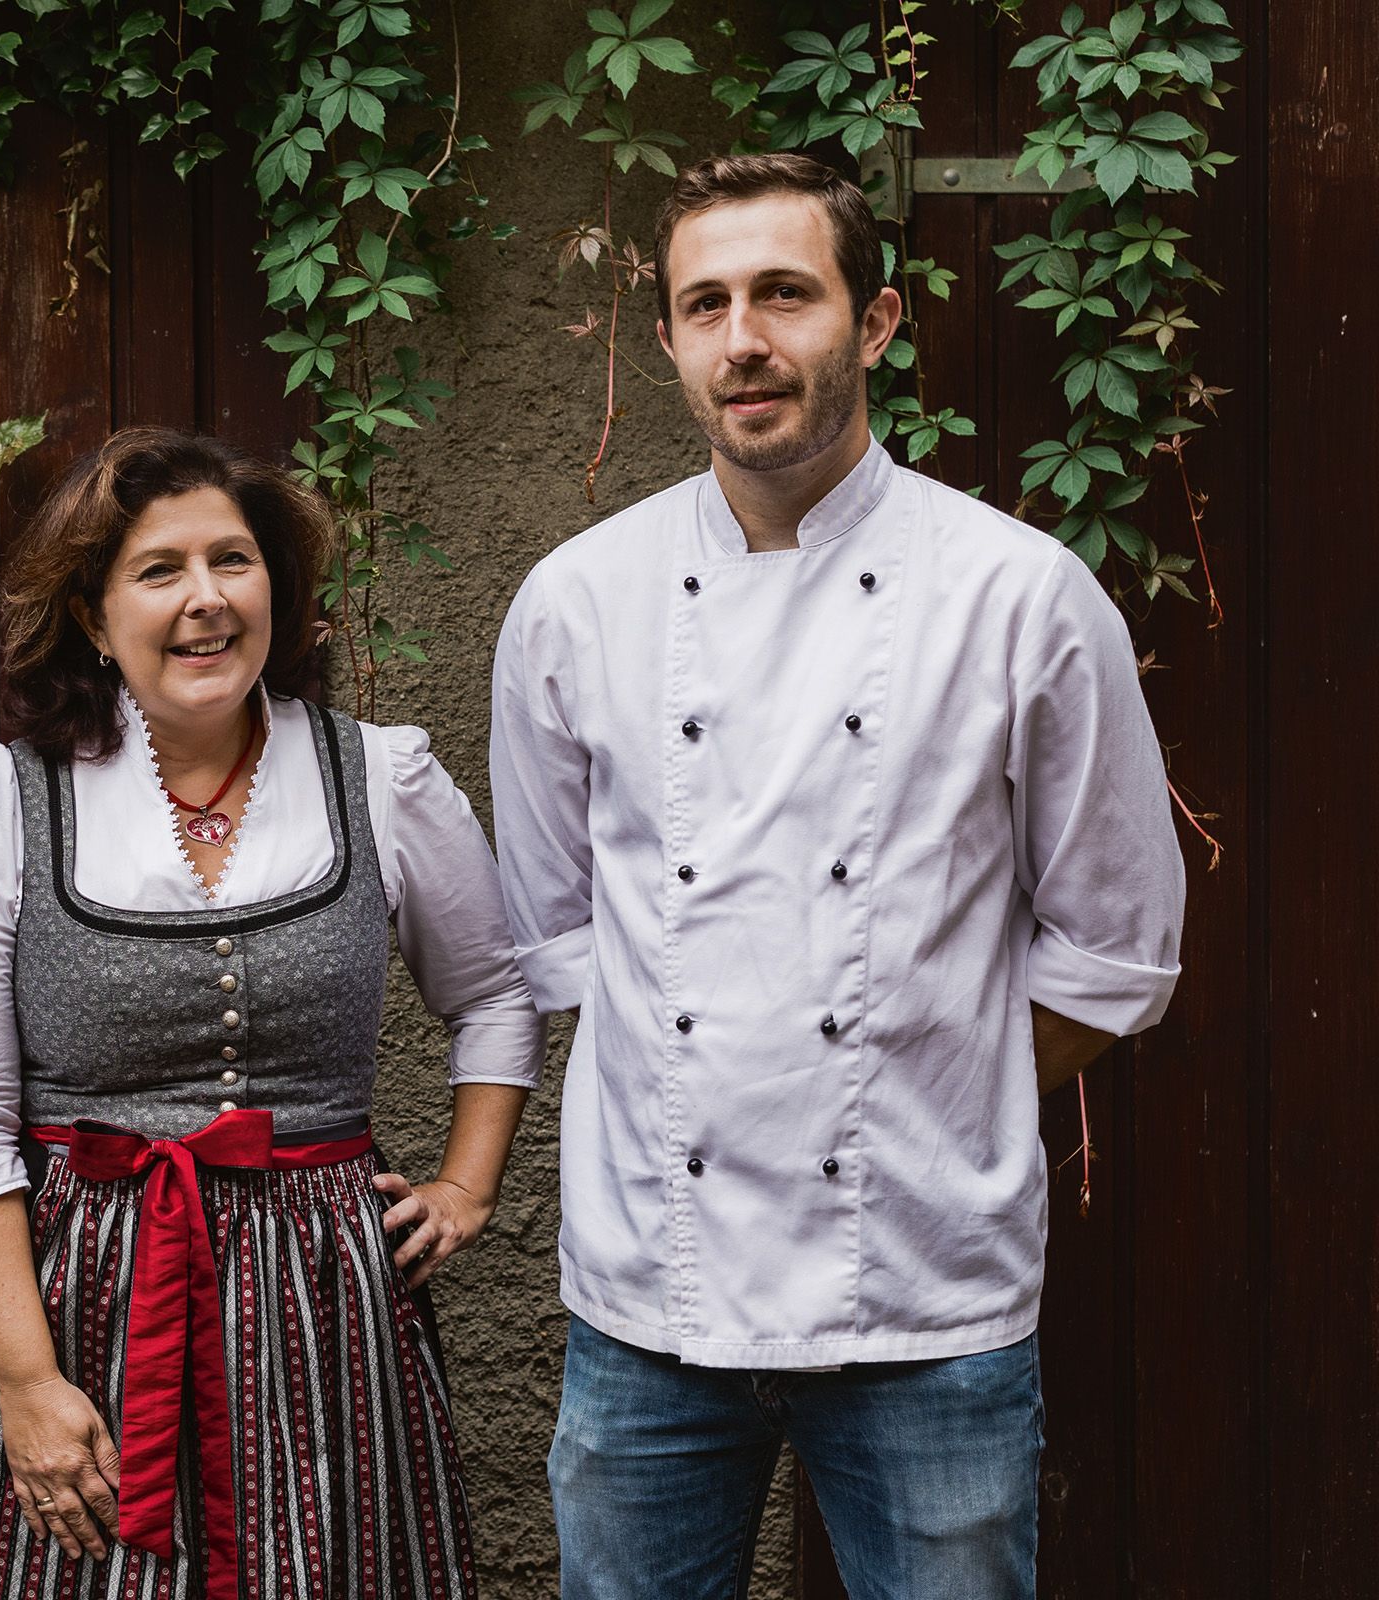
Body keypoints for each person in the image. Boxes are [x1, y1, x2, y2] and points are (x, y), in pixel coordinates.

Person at [489, 152, 1187, 1600]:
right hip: (648, 1307)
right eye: (707, 303)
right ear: (670, 339)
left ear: (872, 325)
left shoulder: (1021, 596)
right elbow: (562, 939)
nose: (745, 337)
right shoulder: (575, 603)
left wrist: (925, 1088)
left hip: (926, 1294)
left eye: (785, 295)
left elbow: (1116, 952)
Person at [0, 427, 540, 1599]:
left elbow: (494, 989)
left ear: (276, 592)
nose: (206, 601)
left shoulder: (380, 776)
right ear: (94, 617)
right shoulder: (5, 799)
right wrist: (29, 1381)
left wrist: (467, 1184)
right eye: (159, 570)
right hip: (90, 1289)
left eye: (232, 562)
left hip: (329, 1295)